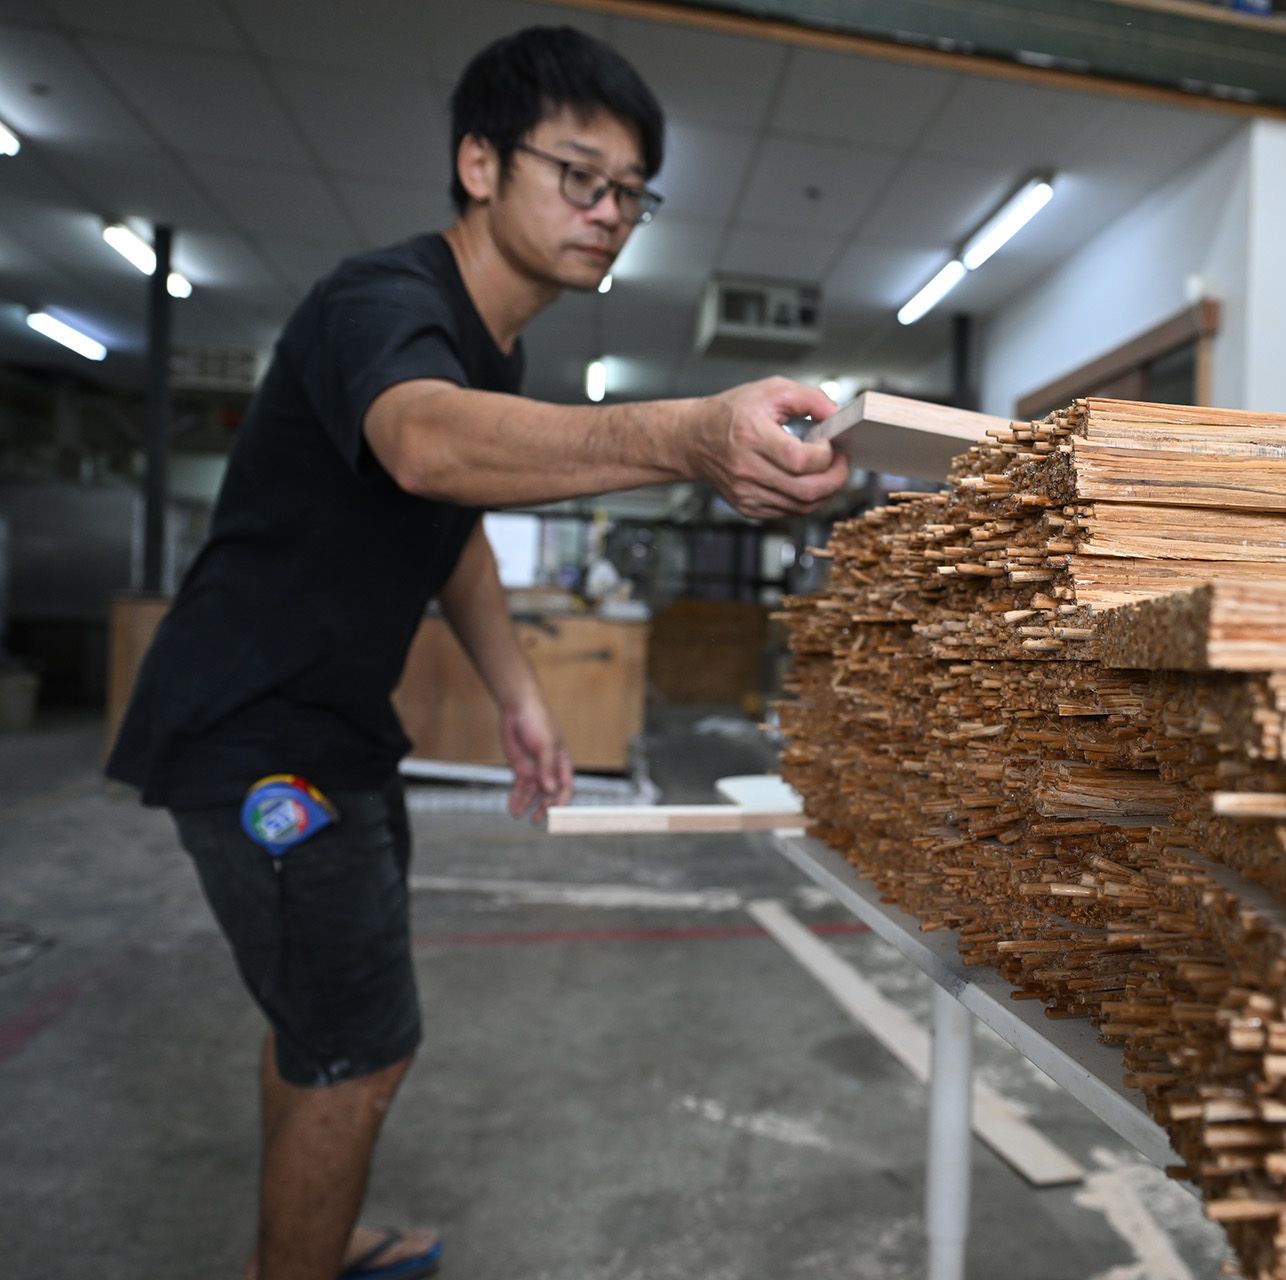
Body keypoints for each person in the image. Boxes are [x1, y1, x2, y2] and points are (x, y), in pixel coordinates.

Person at [105, 25, 847, 1280]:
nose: (609, 213)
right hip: (255, 741)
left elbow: (450, 536)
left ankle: (309, 1240)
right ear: (479, 163)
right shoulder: (384, 300)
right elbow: (423, 447)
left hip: (337, 732)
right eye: (579, 175)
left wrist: (521, 697)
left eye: (632, 193)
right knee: (361, 1042)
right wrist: (681, 435)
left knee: (326, 1026)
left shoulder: (493, 346)